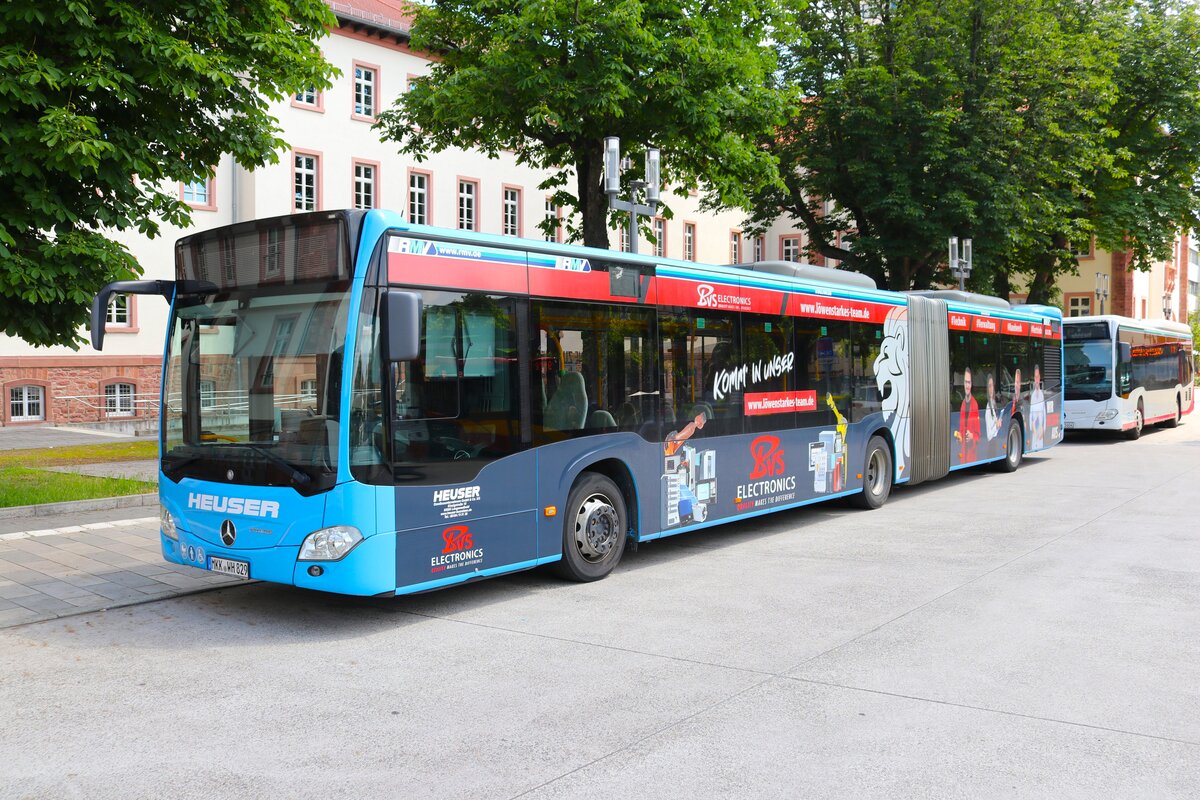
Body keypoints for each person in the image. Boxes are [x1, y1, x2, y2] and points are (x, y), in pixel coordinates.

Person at [957, 367, 981, 463]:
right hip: (963, 455)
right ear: (963, 384)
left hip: (971, 454)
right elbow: (961, 431)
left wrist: (972, 437)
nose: (967, 385)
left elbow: (978, 435)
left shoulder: (974, 404)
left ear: (971, 385)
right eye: (966, 382)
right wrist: (959, 437)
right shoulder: (962, 405)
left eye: (969, 382)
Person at [983, 372, 1003, 455]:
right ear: (987, 388)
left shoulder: (993, 402)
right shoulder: (988, 406)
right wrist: (997, 426)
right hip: (991, 444)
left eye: (992, 385)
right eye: (989, 386)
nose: (991, 389)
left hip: (994, 443)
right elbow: (989, 435)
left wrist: (997, 422)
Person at [1030, 364, 1046, 449]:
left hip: (1040, 428)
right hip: (1034, 430)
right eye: (1035, 377)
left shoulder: (1042, 395)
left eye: (1038, 377)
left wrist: (1043, 431)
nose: (1036, 380)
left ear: (1040, 377)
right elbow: (1031, 416)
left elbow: (1044, 414)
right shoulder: (1032, 396)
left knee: (1040, 444)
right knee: (1034, 444)